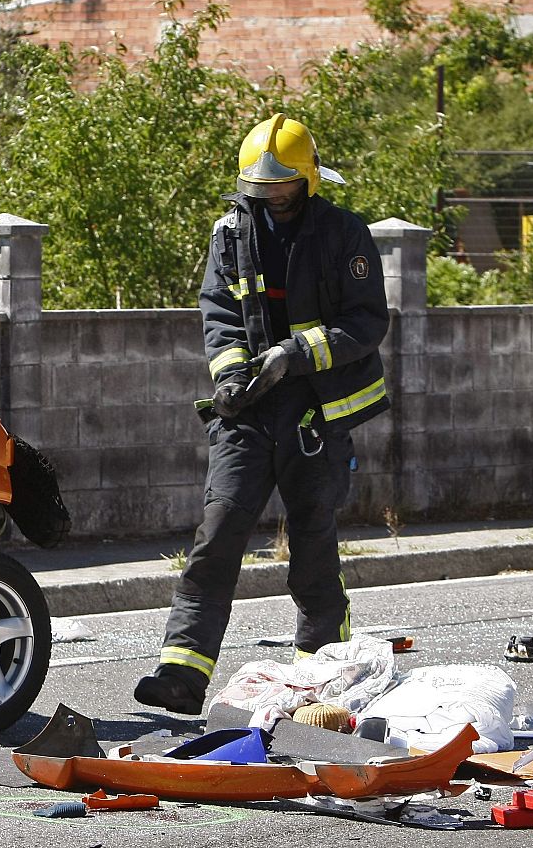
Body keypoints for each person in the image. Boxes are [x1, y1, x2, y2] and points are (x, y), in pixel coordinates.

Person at [132, 113, 391, 715]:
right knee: (216, 538)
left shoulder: (344, 234)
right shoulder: (231, 232)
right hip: (247, 413)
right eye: (260, 186)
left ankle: (322, 679)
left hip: (315, 412)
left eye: (281, 185)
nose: (270, 196)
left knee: (313, 548)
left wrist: (293, 356)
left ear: (306, 181)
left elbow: (366, 324)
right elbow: (218, 311)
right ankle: (181, 672)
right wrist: (229, 374)